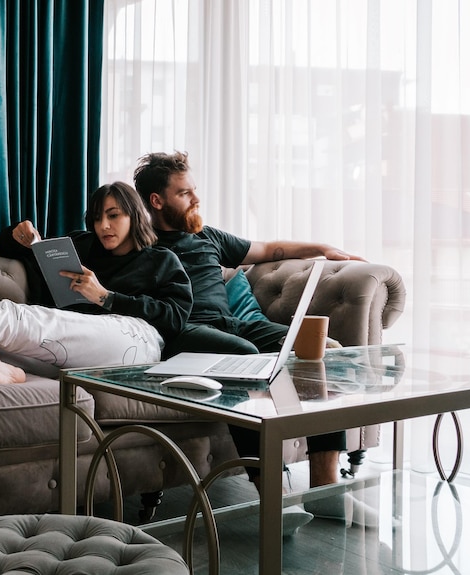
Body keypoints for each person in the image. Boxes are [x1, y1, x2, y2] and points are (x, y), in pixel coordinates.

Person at [133, 151, 377, 529]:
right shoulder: (137, 246)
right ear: (156, 201)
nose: (196, 199)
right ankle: (275, 503)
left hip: (234, 324)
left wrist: (322, 248)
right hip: (186, 332)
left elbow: (271, 250)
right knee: (245, 361)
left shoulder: (207, 236)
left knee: (319, 352)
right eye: (185, 193)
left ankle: (327, 492)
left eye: (194, 190)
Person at [0, 181, 193, 383]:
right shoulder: (83, 245)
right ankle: (8, 368)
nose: (103, 226)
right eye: (97, 218)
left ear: (134, 215)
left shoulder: (162, 260)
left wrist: (106, 298)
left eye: (113, 216)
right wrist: (18, 235)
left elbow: (176, 317)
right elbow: (27, 250)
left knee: (24, 320)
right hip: (71, 346)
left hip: (134, 341)